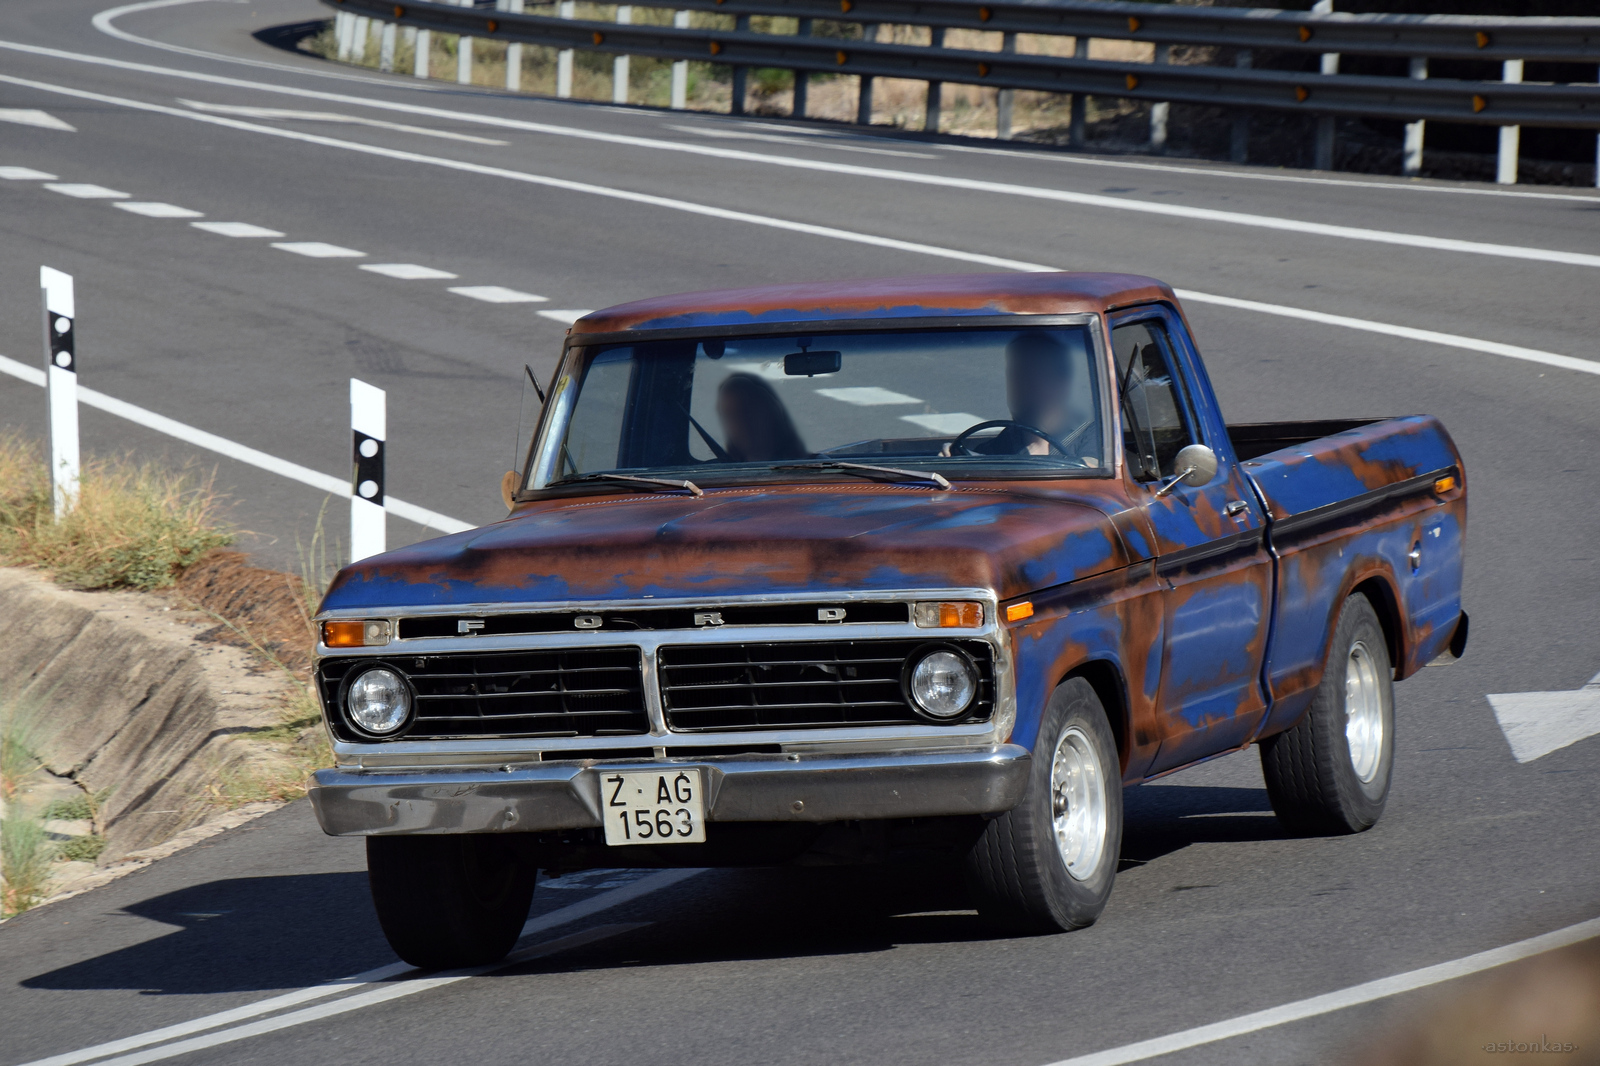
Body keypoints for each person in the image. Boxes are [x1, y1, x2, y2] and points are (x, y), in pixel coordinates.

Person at [965, 331, 1097, 463]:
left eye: (1036, 376)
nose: (1023, 386)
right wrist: (957, 460)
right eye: (1015, 376)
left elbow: (1093, 472)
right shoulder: (1003, 442)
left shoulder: (1092, 431)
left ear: (1062, 383)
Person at [715, 372, 809, 463]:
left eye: (748, 411)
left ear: (772, 412)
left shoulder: (817, 468)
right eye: (730, 415)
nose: (740, 422)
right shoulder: (711, 473)